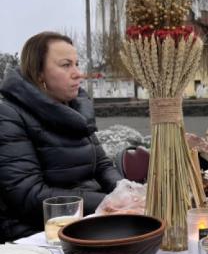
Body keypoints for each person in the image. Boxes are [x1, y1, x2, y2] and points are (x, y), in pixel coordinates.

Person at [0, 32, 121, 242]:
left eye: (77, 63)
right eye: (66, 65)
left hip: (89, 221)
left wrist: (124, 192)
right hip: (39, 235)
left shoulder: (76, 112)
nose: (78, 74)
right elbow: (28, 195)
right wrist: (106, 203)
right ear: (39, 74)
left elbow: (102, 165)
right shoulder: (9, 115)